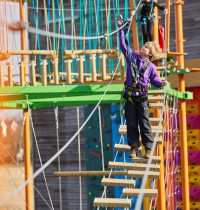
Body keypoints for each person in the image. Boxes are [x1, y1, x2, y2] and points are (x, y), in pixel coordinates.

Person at [117, 18, 167, 159]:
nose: (143, 47)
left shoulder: (151, 67)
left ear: (150, 53)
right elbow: (123, 45)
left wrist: (160, 83)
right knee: (131, 123)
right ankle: (134, 147)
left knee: (144, 123)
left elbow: (155, 79)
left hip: (142, 98)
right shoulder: (132, 57)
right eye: (144, 45)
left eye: (146, 47)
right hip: (130, 97)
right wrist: (121, 29)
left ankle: (148, 148)